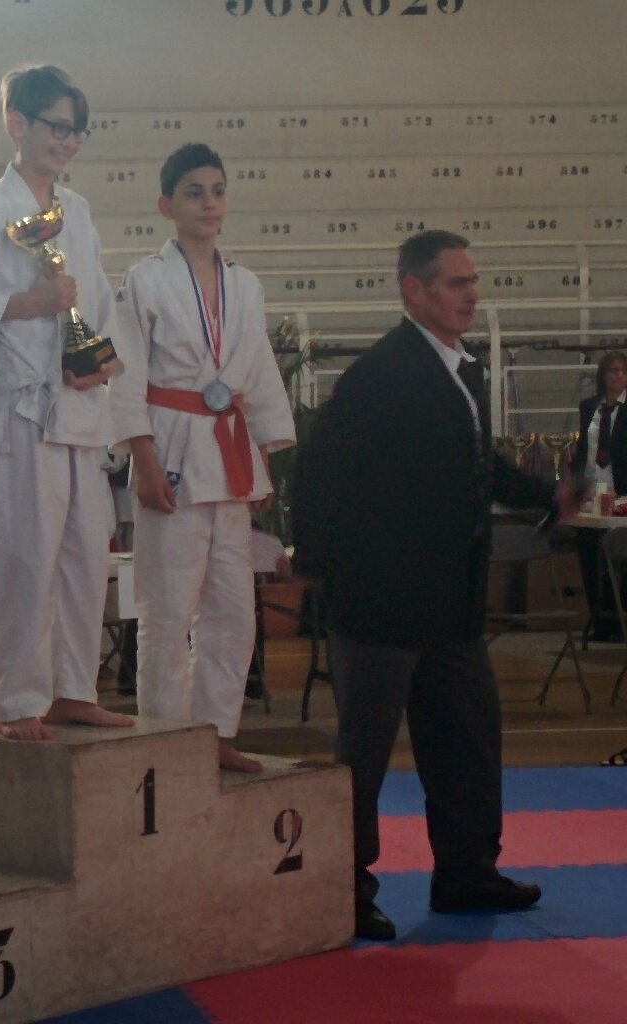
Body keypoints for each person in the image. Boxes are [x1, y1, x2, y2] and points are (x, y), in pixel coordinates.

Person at [292, 230, 577, 942]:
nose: (471, 296)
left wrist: (544, 494)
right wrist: (319, 571)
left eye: (473, 282)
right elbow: (317, 475)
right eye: (455, 283)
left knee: (468, 739)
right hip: (380, 600)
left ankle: (466, 872)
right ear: (412, 290)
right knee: (364, 754)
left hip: (449, 600)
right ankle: (346, 890)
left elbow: (475, 466)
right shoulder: (381, 374)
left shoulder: (461, 368)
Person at [0, 64, 132, 741]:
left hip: (79, 406)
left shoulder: (78, 212)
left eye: (77, 130)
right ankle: (16, 699)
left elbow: (94, 302)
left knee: (83, 558)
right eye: (56, 126)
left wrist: (99, 358)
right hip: (20, 408)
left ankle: (73, 687)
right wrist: (27, 304)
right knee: (22, 557)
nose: (67, 140)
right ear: (17, 124)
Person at [108, 144, 296, 772]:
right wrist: (145, 459)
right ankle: (164, 743)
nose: (209, 202)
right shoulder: (145, 280)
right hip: (174, 445)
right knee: (166, 611)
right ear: (166, 205)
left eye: (217, 190)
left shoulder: (246, 283)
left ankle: (215, 736)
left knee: (232, 615)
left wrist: (267, 453)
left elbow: (261, 372)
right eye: (194, 191)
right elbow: (125, 375)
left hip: (232, 453)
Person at [570, 350, 627, 641]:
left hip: (621, 493)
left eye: (623, 370)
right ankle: (599, 620)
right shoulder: (588, 407)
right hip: (591, 489)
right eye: (613, 370)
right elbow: (583, 451)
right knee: (588, 550)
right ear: (603, 375)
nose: (618, 375)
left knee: (619, 555)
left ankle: (620, 621)